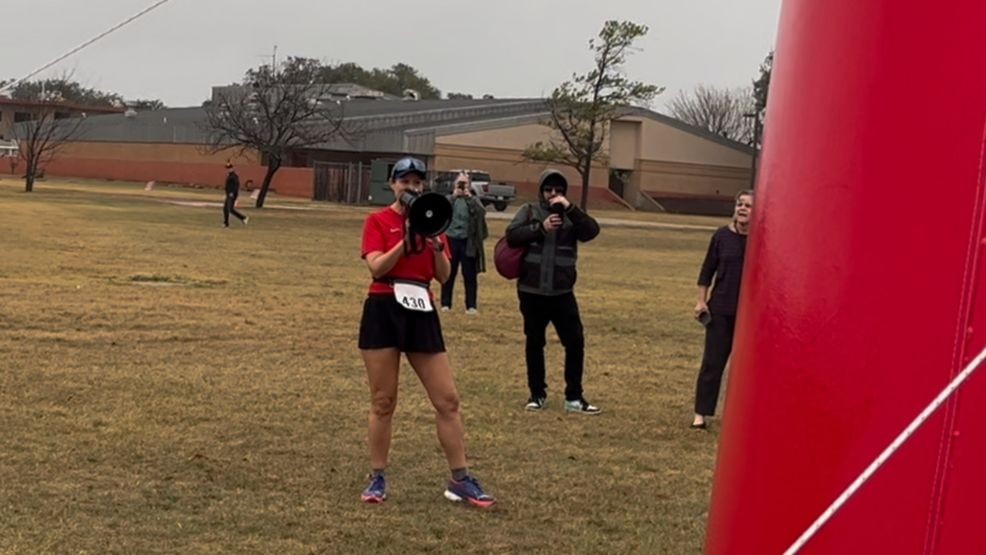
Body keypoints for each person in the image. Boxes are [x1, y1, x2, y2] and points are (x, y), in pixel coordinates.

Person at [357, 156, 495, 507]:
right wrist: (405, 240)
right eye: (405, 182)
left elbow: (444, 276)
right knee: (383, 400)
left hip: (421, 308)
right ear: (393, 184)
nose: (412, 189)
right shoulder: (378, 221)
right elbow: (376, 267)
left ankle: (460, 479)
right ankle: (377, 477)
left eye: (417, 182)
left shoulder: (435, 220)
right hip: (384, 305)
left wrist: (434, 244)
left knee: (447, 399)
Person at [505, 170, 602, 415]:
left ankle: (574, 397)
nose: (553, 194)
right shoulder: (529, 211)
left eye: (558, 190)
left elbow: (591, 231)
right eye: (549, 190)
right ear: (542, 191)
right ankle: (537, 394)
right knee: (535, 342)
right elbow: (512, 236)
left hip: (562, 291)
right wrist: (541, 227)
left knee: (575, 341)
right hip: (531, 290)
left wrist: (570, 209)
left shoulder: (572, 216)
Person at [691, 190, 754, 429]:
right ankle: (700, 415)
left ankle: (742, 416)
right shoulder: (721, 236)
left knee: (745, 369)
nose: (742, 208)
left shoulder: (761, 239)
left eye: (748, 205)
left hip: (749, 315)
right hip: (720, 311)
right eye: (740, 204)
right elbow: (707, 271)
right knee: (712, 363)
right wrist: (701, 301)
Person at [440, 172, 489, 314]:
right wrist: (454, 196)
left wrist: (470, 197)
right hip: (451, 239)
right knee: (449, 273)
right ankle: (446, 303)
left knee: (470, 274)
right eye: (459, 183)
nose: (461, 186)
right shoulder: (450, 199)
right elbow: (441, 209)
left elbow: (481, 212)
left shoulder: (473, 200)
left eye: (464, 183)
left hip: (468, 241)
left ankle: (471, 306)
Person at [223, 162, 248, 228]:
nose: (228, 169)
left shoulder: (234, 176)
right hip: (228, 194)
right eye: (227, 168)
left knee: (230, 209)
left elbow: (236, 186)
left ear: (232, 168)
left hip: (232, 195)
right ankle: (226, 224)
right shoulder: (229, 175)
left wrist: (233, 193)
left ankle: (243, 218)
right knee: (225, 209)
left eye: (230, 168)